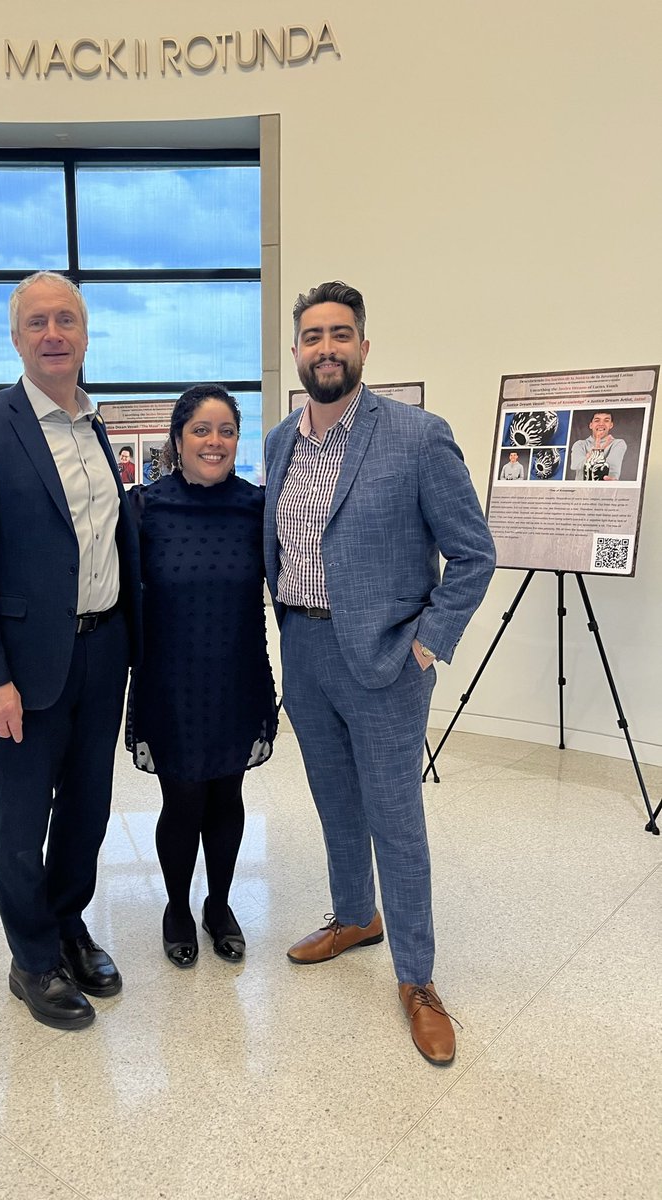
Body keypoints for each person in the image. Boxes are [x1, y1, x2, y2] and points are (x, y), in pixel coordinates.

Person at [264, 281, 495, 1065]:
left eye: (340, 334)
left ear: (364, 347)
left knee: (396, 820)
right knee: (334, 804)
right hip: (304, 650)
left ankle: (420, 979)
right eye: (311, 337)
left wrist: (426, 644)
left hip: (387, 661)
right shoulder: (278, 443)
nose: (325, 347)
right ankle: (354, 917)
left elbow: (474, 553)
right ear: (296, 352)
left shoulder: (418, 437)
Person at [0, 271, 141, 1032]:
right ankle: (31, 959)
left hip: (103, 649)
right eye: (37, 323)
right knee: (23, 818)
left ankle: (66, 922)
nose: (52, 334)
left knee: (89, 810)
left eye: (66, 320)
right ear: (16, 338)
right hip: (22, 669)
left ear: (86, 335)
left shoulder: (94, 425)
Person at [126, 385, 277, 968]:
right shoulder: (145, 507)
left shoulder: (257, 507)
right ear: (177, 438)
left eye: (226, 431)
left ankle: (218, 904)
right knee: (183, 798)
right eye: (201, 430)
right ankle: (176, 907)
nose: (214, 442)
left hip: (237, 673)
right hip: (171, 679)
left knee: (227, 795)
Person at [569, 411, 627, 481]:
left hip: (605, 489)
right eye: (597, 420)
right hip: (581, 490)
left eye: (606, 420)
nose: (601, 424)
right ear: (591, 425)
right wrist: (595, 453)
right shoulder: (579, 444)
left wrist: (591, 458)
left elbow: (612, 468)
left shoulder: (618, 443)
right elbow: (575, 465)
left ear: (611, 425)